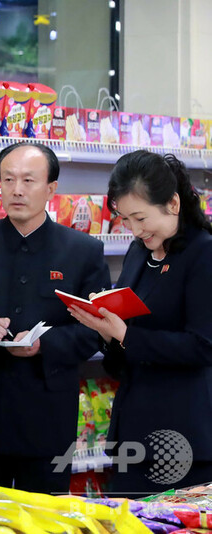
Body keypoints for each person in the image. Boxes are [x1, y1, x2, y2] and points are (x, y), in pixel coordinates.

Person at [0, 142, 111, 494]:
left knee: (43, 514)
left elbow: (96, 332)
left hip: (47, 418)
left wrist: (44, 344)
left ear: (51, 189)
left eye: (28, 180)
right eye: (8, 180)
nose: (16, 190)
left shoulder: (83, 251)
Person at [68, 150, 212, 495]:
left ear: (173, 203)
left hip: (185, 431)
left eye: (140, 218)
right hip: (133, 427)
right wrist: (106, 329)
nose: (134, 230)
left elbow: (203, 346)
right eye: (125, 219)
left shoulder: (203, 254)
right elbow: (127, 343)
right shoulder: (139, 252)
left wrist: (125, 335)